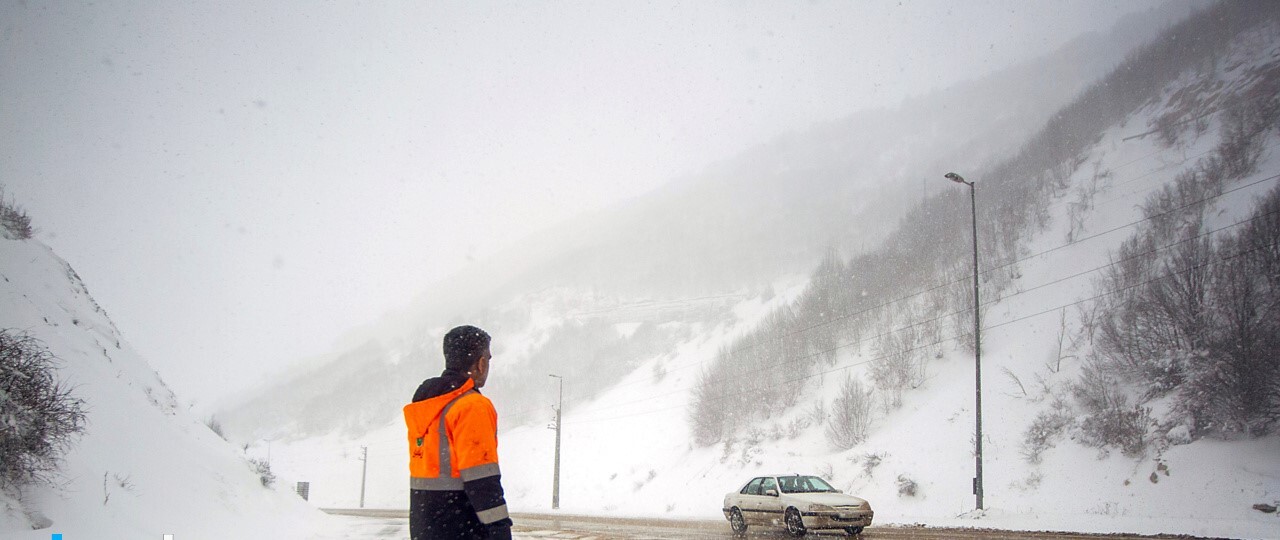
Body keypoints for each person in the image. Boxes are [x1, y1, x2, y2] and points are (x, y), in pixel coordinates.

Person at [405, 325, 512, 540]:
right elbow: (482, 479)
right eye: (488, 359)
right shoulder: (472, 406)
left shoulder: (428, 405)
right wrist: (501, 532)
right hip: (463, 527)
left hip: (425, 526)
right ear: (481, 363)